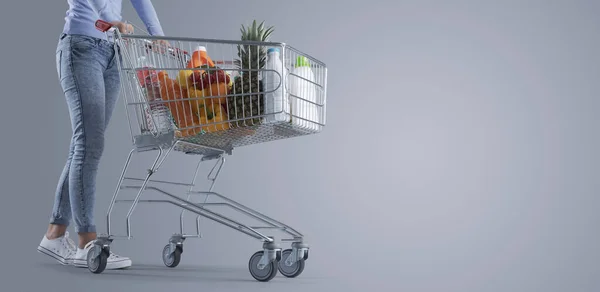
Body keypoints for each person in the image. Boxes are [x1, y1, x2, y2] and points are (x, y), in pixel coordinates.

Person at [37, 0, 168, 270]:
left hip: (112, 51)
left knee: (84, 145)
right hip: (81, 47)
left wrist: (158, 35)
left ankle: (55, 233)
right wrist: (113, 20)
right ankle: (88, 243)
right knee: (89, 144)